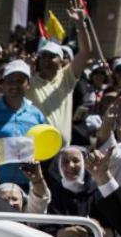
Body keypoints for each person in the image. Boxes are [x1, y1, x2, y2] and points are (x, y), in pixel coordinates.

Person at [0, 59, 48, 187]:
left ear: (28, 84)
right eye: (10, 81)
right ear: (3, 85)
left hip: (28, 184)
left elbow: (44, 146)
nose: (14, 86)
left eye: (20, 81)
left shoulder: (36, 115)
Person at [26, 8, 91, 145]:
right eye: (43, 56)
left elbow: (85, 52)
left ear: (61, 61)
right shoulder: (30, 83)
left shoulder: (66, 77)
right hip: (39, 150)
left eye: (52, 57)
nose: (47, 60)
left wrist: (81, 25)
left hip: (62, 155)